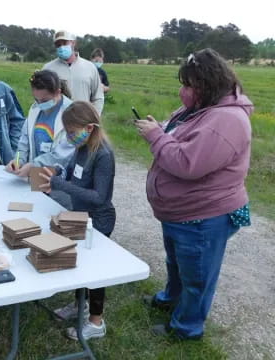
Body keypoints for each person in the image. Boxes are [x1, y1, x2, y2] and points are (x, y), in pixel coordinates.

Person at [135, 48, 253, 340]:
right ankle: (169, 300)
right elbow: (181, 136)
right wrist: (162, 129)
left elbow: (188, 164)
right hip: (182, 212)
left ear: (208, 84)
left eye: (189, 84)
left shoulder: (227, 120)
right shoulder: (200, 108)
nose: (183, 90)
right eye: (183, 82)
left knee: (197, 277)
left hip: (203, 215)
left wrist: (155, 136)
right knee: (176, 263)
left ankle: (187, 329)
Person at [39, 101, 116, 340]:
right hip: (80, 216)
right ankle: (79, 305)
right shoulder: (81, 146)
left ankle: (96, 321)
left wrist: (61, 185)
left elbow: (99, 197)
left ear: (90, 127)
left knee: (94, 272)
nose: (70, 137)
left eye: (73, 132)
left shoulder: (102, 155)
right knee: (79, 264)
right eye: (68, 132)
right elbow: (71, 172)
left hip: (99, 221)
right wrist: (58, 173)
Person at [5, 69, 74, 177]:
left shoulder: (72, 113)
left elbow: (64, 153)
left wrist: (34, 165)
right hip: (37, 175)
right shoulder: (34, 109)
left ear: (58, 92)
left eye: (44, 100)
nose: (40, 104)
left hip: (60, 178)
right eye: (36, 99)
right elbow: (23, 142)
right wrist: (18, 160)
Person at [43, 30, 104, 114]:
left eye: (65, 43)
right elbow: (42, 98)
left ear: (73, 43)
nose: (61, 47)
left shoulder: (90, 67)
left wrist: (94, 118)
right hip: (57, 121)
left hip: (82, 120)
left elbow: (98, 97)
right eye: (58, 45)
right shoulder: (48, 69)